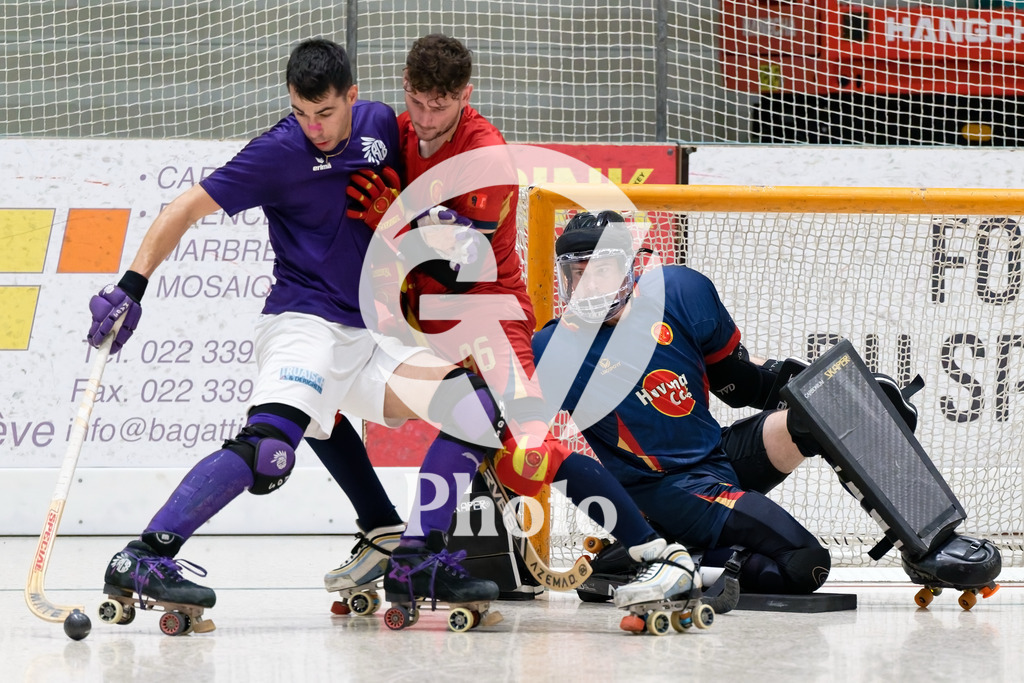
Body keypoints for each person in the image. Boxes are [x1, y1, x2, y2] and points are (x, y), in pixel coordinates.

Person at [87, 38, 508, 617]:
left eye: (327, 113)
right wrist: (131, 286)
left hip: (368, 336)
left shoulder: (382, 125)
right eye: (302, 112)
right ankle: (147, 555)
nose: (315, 127)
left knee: (476, 408)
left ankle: (415, 562)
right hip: (303, 324)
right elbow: (180, 210)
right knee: (268, 452)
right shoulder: (277, 152)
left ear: (353, 98)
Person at [316, 34, 703, 614]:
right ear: (405, 88)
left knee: (528, 452)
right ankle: (383, 532)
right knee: (317, 396)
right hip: (413, 312)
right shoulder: (395, 133)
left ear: (464, 96)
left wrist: (391, 219)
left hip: (485, 312)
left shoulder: (487, 155)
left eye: (439, 107)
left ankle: (656, 552)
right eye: (417, 102)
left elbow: (457, 264)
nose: (425, 119)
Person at [532, 210, 834, 595]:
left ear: (630, 268)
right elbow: (517, 443)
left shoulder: (678, 291)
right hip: (666, 492)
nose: (589, 284)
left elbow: (738, 384)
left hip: (714, 458)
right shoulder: (553, 349)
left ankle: (924, 543)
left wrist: (818, 388)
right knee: (806, 564)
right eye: (578, 272)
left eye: (602, 270)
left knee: (817, 417)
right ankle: (667, 560)